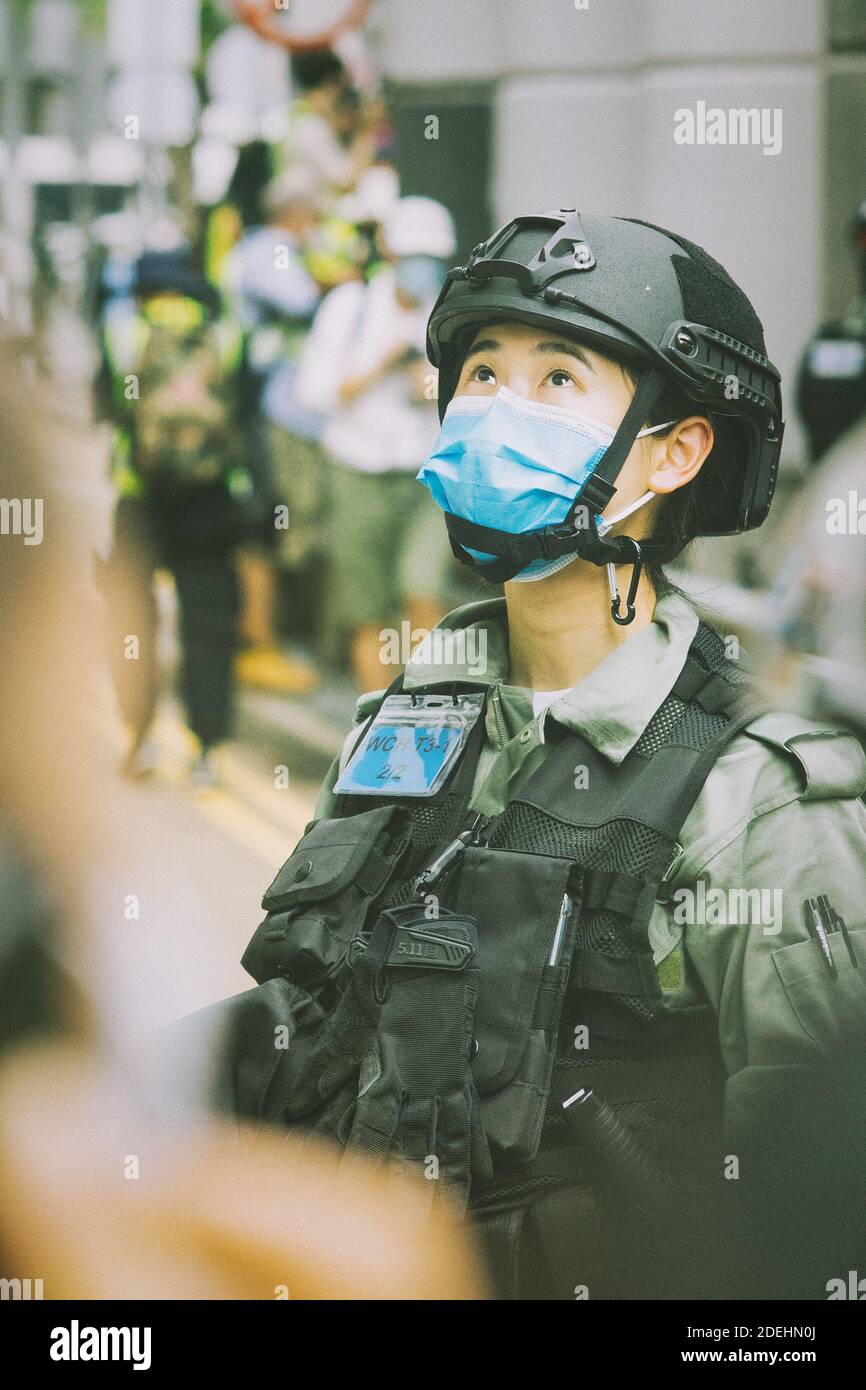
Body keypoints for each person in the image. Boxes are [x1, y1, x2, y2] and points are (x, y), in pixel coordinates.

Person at [206, 209, 866, 1300]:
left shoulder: (759, 798)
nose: (494, 410)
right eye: (478, 373)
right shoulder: (399, 729)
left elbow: (818, 1230)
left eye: (556, 379)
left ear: (673, 451)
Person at [97, 250, 267, 787]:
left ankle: (140, 737)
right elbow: (246, 414)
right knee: (208, 625)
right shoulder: (228, 332)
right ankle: (207, 750)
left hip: (139, 493)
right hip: (210, 497)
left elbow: (104, 406)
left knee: (131, 620)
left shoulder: (122, 329)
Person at [295, 195, 458, 688]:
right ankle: (379, 728)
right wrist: (378, 367)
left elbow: (474, 393)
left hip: (427, 473)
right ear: (388, 254)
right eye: (412, 256)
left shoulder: (449, 314)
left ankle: (429, 711)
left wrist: (428, 385)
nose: (421, 268)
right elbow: (314, 393)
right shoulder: (351, 308)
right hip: (356, 471)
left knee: (422, 589)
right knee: (364, 608)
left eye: (432, 258)